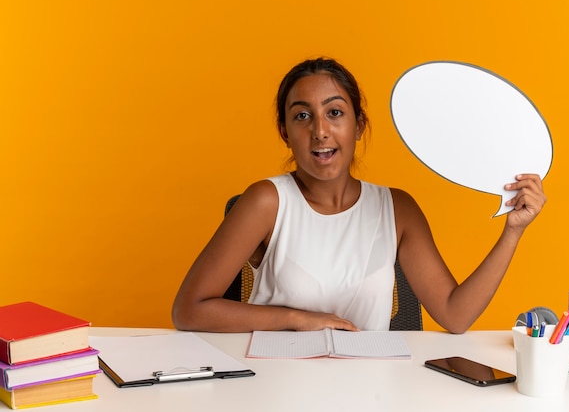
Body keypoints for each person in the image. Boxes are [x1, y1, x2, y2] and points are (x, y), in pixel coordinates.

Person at [172, 57, 547, 334]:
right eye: (302, 116)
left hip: (370, 390)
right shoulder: (266, 202)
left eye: (335, 113)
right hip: (277, 386)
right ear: (284, 131)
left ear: (358, 126)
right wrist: (297, 319)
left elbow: (455, 315)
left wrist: (512, 232)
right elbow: (188, 310)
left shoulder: (397, 209)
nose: (320, 131)